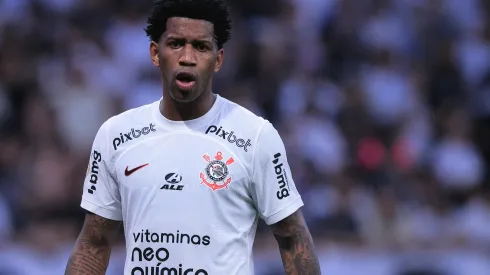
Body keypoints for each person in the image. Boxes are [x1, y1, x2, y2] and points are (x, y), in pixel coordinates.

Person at [65, 0, 321, 274]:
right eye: (176, 43)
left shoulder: (254, 136)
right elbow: (94, 242)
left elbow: (293, 239)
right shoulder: (116, 135)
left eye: (201, 46)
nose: (187, 57)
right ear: (155, 53)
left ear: (218, 59)